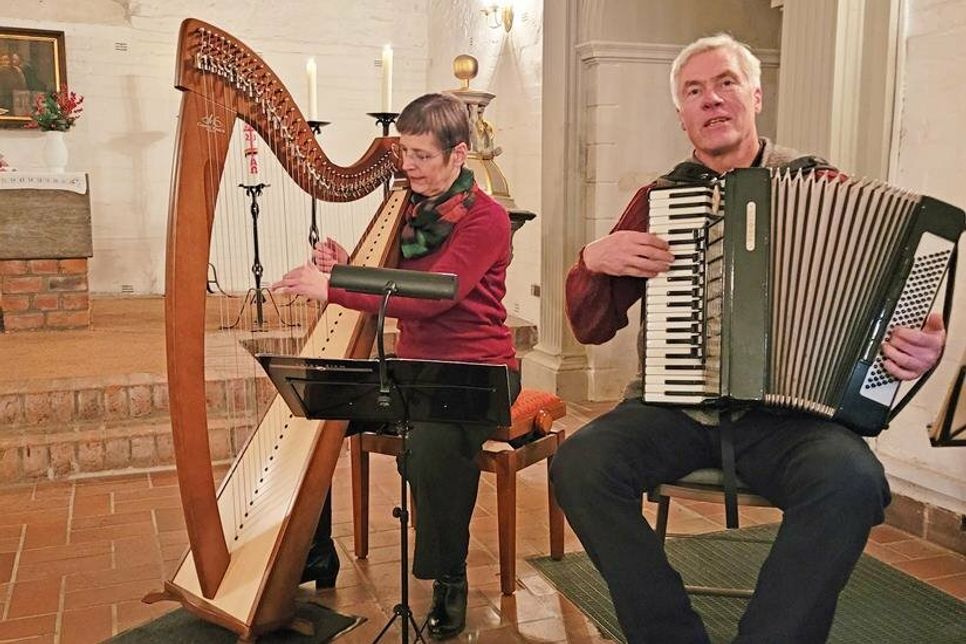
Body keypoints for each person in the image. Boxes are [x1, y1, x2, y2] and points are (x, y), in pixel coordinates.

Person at [551, 33, 947, 644]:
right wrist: (591, 261)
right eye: (693, 91)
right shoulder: (658, 200)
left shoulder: (826, 188)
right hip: (674, 409)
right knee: (580, 464)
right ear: (681, 114)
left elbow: (894, 319)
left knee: (853, 480)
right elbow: (593, 324)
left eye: (726, 83)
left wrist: (920, 349)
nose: (711, 100)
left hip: (788, 420)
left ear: (756, 96)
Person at [273, 92, 520, 640]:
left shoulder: (487, 219)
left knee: (430, 451)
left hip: (475, 371)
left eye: (421, 156)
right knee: (312, 405)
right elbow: (387, 274)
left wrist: (335, 287)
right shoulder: (410, 211)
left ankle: (448, 580)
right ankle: (313, 553)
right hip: (412, 368)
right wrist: (345, 263)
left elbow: (434, 296)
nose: (407, 166)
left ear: (459, 154)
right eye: (404, 152)